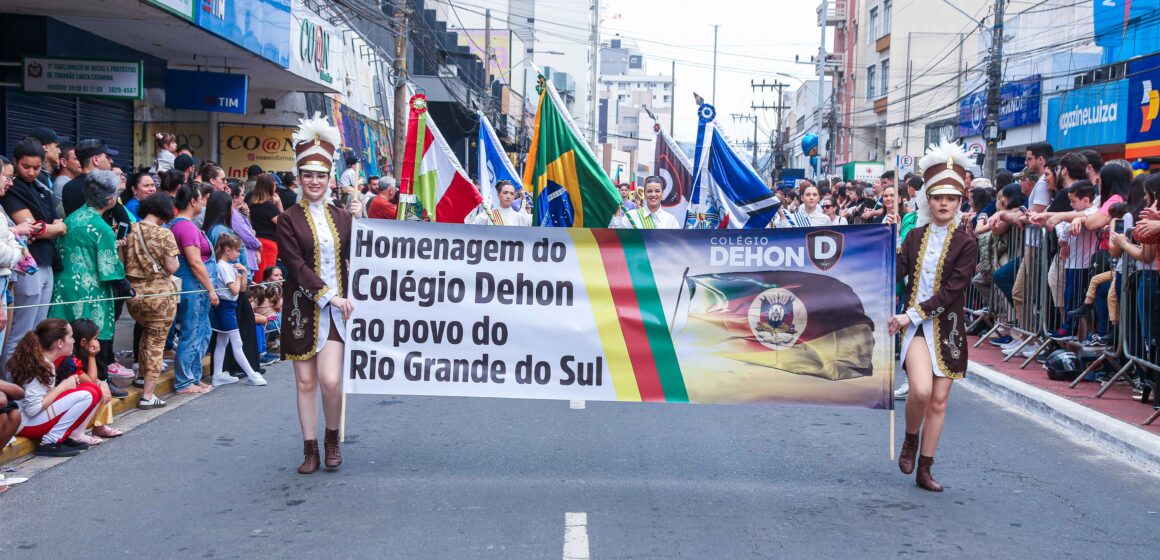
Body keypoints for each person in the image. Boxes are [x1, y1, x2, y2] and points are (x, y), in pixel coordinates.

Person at [889, 140, 977, 493]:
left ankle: (926, 467)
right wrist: (882, 243)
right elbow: (893, 272)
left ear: (959, 203)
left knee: (939, 400)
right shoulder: (913, 236)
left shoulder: (966, 243)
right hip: (916, 328)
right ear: (928, 200)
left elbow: (953, 290)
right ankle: (911, 437)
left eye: (951, 198)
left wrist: (910, 315)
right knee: (921, 392)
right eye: (938, 197)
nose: (944, 204)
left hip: (949, 328)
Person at [277, 113, 354, 474]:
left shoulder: (343, 217)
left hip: (339, 312)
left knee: (331, 380)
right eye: (308, 175)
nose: (314, 181)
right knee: (306, 381)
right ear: (299, 178)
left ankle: (332, 438)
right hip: (301, 308)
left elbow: (365, 256)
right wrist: (329, 295)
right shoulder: (288, 218)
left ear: (330, 179)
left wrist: (364, 220)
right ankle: (310, 449)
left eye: (320, 176)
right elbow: (295, 265)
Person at [48, 169, 128, 396]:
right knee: (94, 335)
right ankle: (98, 381)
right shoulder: (103, 228)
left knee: (65, 336)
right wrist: (127, 287)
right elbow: (109, 268)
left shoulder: (72, 218)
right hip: (92, 289)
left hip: (65, 285)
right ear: (111, 199)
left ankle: (65, 381)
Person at [1, 139, 68, 374]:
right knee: (21, 331)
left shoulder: (42, 186)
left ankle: (28, 384)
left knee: (37, 331)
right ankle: (11, 387)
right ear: (16, 163)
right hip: (26, 264)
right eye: (25, 167)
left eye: (36, 167)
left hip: (45, 261)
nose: (30, 172)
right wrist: (54, 228)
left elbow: (56, 222)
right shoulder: (13, 189)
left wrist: (52, 227)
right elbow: (33, 227)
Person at [120, 193, 179, 409]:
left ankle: (140, 375)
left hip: (134, 295)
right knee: (156, 344)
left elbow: (121, 260)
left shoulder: (130, 229)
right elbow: (172, 267)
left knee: (146, 335)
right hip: (159, 295)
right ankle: (148, 395)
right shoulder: (164, 234)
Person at [13, 319, 102, 458]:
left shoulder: (45, 361)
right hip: (26, 424)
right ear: (60, 343)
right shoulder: (41, 364)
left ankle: (71, 436)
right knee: (87, 394)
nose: (73, 341)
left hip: (32, 421)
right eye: (70, 337)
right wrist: (63, 386)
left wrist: (63, 389)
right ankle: (50, 441)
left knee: (93, 389)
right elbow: (32, 409)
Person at [170, 183, 217, 395]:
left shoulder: (182, 225)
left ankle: (193, 377)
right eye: (200, 198)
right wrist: (211, 289)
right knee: (192, 331)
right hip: (194, 286)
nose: (203, 202)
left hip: (196, 286)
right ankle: (184, 381)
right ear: (192, 201)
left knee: (201, 331)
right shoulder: (185, 226)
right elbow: (195, 262)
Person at [210, 234, 267, 387]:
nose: (239, 253)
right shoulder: (223, 266)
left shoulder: (229, 266)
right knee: (237, 342)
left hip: (229, 306)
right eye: (237, 250)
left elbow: (241, 289)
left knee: (223, 341)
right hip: (226, 306)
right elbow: (235, 290)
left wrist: (243, 273)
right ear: (227, 250)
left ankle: (217, 374)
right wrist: (239, 276)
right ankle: (251, 374)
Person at [57, 319, 122, 443]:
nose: (98, 342)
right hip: (64, 404)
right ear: (83, 342)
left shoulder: (81, 354)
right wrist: (92, 356)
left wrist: (102, 383)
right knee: (97, 388)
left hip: (74, 397)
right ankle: (78, 433)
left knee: (102, 385)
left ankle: (100, 427)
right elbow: (90, 382)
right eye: (96, 338)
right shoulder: (70, 360)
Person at [61, 139, 118, 216]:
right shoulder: (104, 185)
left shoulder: (67, 187)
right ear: (95, 160)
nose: (111, 161)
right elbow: (125, 221)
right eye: (107, 157)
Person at [247, 174, 283, 281]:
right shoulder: (268, 205)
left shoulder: (252, 203)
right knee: (267, 276)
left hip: (257, 241)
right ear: (271, 186)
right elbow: (283, 223)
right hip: (268, 243)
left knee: (259, 274)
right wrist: (279, 204)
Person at [610, 176, 680, 229]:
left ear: (662, 194)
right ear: (644, 194)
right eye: (649, 191)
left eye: (657, 191)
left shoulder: (670, 220)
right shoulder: (632, 216)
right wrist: (617, 212)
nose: (653, 194)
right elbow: (615, 237)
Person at [466, 181, 532, 226]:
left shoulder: (520, 217)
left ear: (514, 196)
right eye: (505, 193)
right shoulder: (489, 214)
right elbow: (472, 229)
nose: (508, 196)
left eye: (511, 194)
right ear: (498, 195)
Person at [53, 144, 80, 215]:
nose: (81, 162)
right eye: (76, 159)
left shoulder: (67, 182)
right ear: (63, 162)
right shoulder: (62, 184)